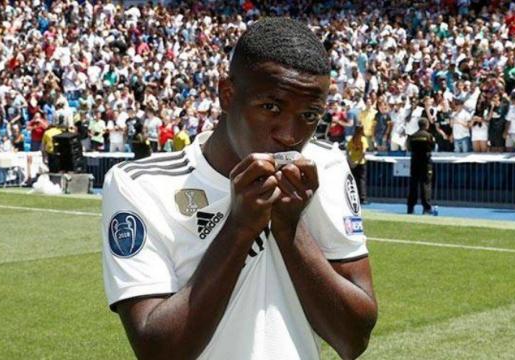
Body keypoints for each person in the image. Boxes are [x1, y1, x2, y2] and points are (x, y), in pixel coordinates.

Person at [102, 18, 376, 360]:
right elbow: (159, 351)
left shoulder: (327, 168)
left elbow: (353, 340)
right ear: (227, 95)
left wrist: (289, 227)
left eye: (309, 115)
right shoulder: (142, 185)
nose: (289, 135)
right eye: (271, 107)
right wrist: (241, 226)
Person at [406, 118, 435, 214]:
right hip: (425, 162)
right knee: (426, 185)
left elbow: (409, 147)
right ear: (426, 125)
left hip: (415, 162)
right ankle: (426, 208)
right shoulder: (429, 136)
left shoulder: (413, 136)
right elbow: (432, 147)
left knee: (413, 185)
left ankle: (410, 207)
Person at [347, 126, 369, 204]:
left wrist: (351, 162)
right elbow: (363, 152)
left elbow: (348, 152)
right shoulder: (363, 139)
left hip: (352, 163)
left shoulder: (351, 139)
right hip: (361, 163)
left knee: (353, 181)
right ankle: (362, 198)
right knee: (362, 181)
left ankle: (353, 197)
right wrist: (358, 161)